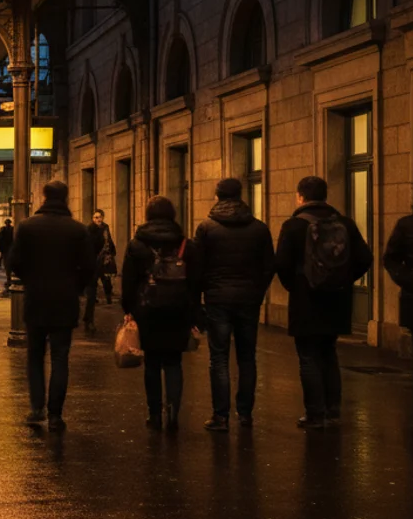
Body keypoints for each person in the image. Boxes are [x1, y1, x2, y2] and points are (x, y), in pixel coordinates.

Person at [275, 176, 372, 429]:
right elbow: (365, 258)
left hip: (306, 300)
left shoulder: (294, 226)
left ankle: (315, 413)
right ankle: (333, 410)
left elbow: (282, 264)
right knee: (329, 353)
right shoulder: (346, 224)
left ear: (300, 196)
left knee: (308, 356)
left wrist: (296, 286)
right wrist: (344, 279)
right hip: (336, 299)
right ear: (326, 196)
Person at [8, 181, 94, 432]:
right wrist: (74, 287)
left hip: (36, 299)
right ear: (66, 197)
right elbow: (89, 267)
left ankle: (37, 409)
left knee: (35, 356)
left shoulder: (27, 227)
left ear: (43, 197)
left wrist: (31, 280)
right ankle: (56, 414)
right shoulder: (78, 230)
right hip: (65, 301)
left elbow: (14, 262)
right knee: (60, 357)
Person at [194, 178, 275, 432]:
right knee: (247, 356)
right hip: (248, 300)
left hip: (218, 299)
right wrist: (257, 291)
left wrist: (201, 297)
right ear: (241, 196)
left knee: (218, 357)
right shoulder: (259, 228)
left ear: (217, 197)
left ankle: (220, 415)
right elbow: (269, 266)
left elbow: (198, 268)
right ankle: (245, 413)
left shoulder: (206, 228)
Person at [122, 196, 200, 431]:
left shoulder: (137, 244)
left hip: (147, 310)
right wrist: (194, 313)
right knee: (174, 363)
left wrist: (129, 310)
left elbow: (128, 282)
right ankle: (173, 413)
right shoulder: (186, 244)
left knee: (153, 363)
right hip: (178, 310)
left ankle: (154, 414)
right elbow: (195, 283)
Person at [384, 211, 413, 431]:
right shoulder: (407, 224)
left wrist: (409, 281)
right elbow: (391, 259)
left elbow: (391, 259)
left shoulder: (407, 224)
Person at [83, 209, 117, 334]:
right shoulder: (89, 230)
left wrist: (112, 251)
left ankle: (108, 295)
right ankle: (88, 320)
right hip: (93, 265)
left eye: (100, 217)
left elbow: (109, 242)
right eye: (96, 217)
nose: (98, 219)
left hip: (103, 263)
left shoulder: (105, 228)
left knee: (107, 281)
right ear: (93, 218)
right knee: (91, 294)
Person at [0, 218, 15, 286]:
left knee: (7, 266)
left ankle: (9, 279)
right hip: (10, 249)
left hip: (6, 250)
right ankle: (10, 279)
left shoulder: (3, 230)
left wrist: (1, 249)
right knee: (10, 265)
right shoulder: (13, 229)